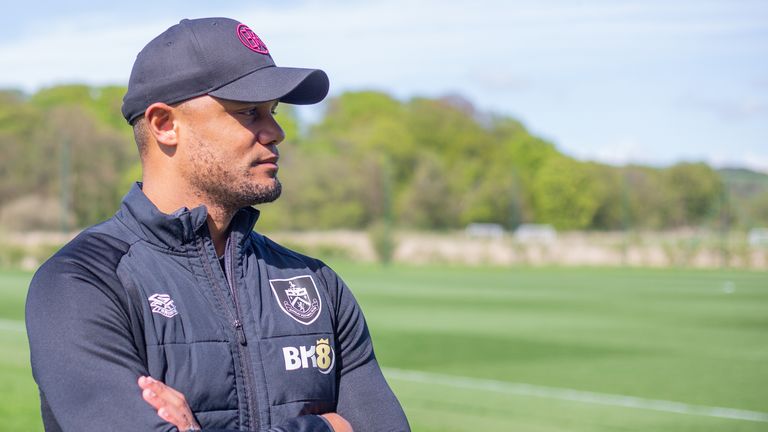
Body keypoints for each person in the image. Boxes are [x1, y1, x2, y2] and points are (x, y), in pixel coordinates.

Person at [25, 17, 410, 432]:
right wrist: (328, 428)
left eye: (273, 112)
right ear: (164, 125)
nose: (276, 132)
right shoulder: (82, 282)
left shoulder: (316, 282)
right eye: (249, 112)